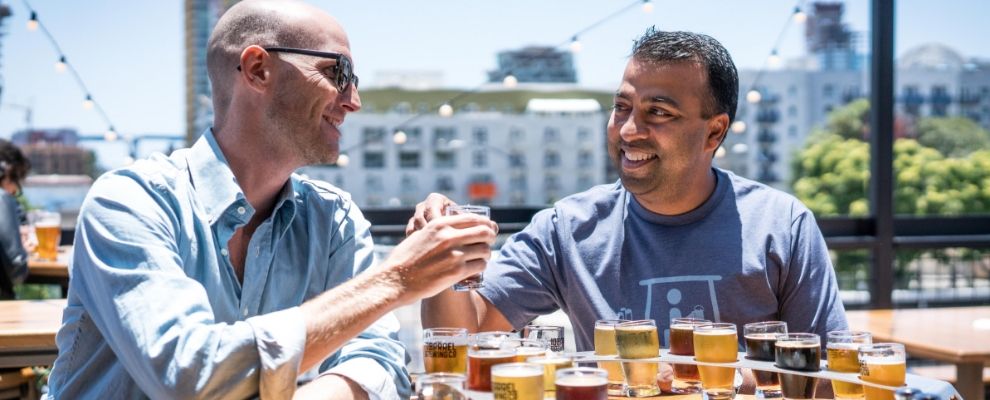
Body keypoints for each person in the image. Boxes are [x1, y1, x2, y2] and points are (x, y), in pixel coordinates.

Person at [46, 1, 496, 399]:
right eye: (338, 73)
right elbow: (188, 375)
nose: (353, 100)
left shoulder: (334, 219)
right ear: (258, 69)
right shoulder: (132, 200)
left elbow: (379, 362)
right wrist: (394, 280)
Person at [412, 29, 847, 390]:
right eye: (622, 108)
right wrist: (441, 262)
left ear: (714, 133)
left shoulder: (781, 225)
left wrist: (712, 380)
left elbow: (831, 374)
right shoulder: (569, 229)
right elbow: (467, 339)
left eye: (658, 112)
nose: (630, 130)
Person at [0, 139, 31, 300]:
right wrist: (22, 248)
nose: (15, 189)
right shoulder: (2, 198)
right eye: (16, 178)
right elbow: (16, 268)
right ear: (4, 171)